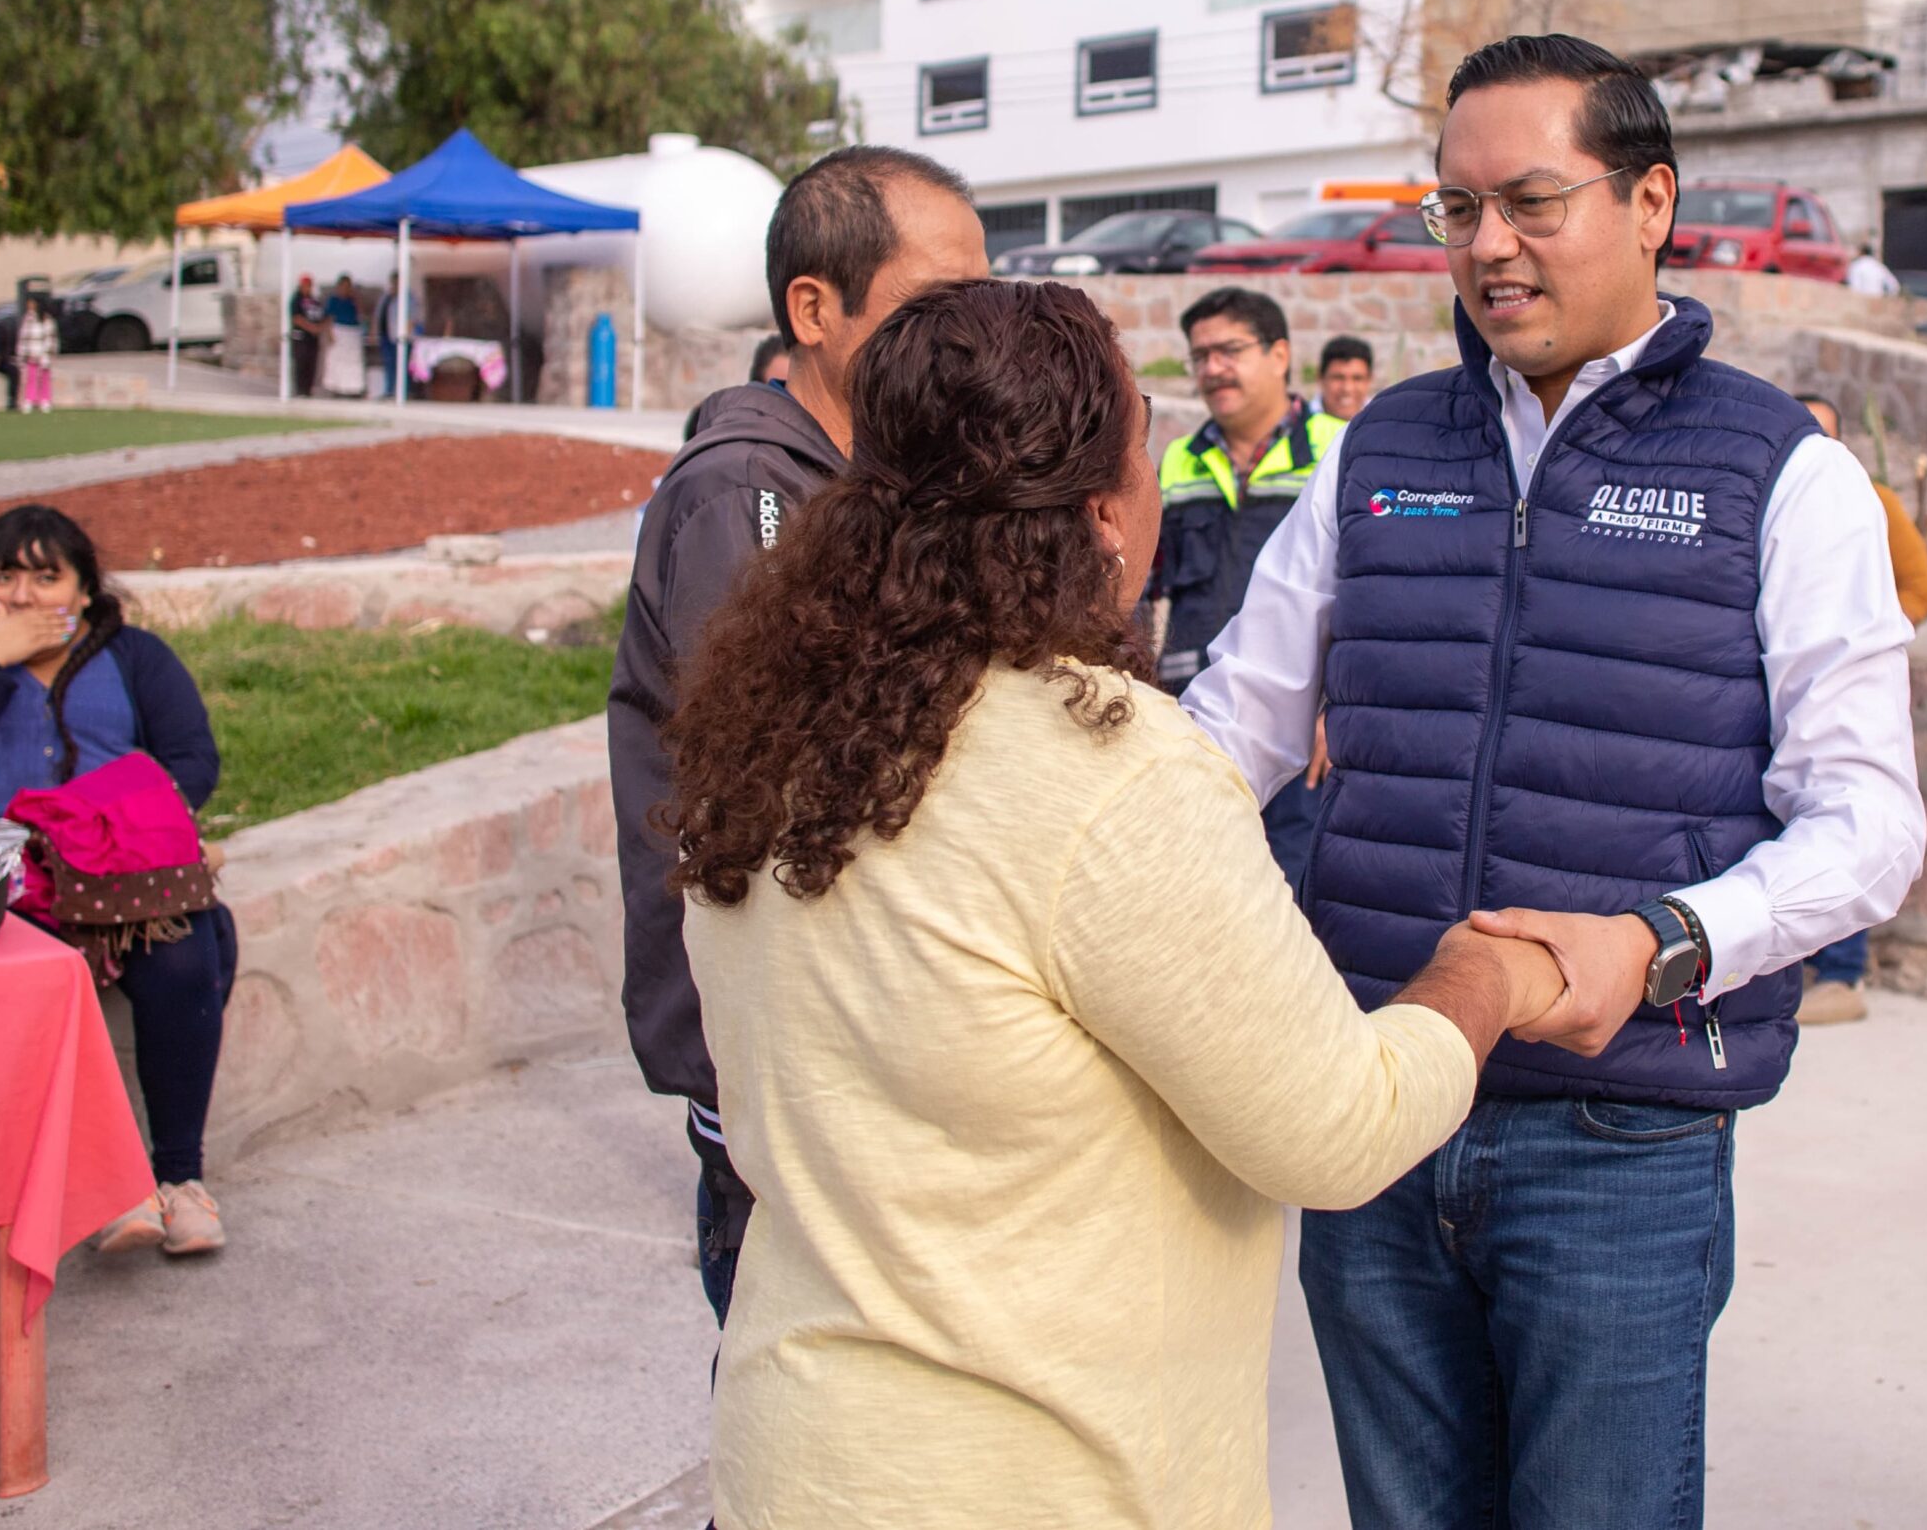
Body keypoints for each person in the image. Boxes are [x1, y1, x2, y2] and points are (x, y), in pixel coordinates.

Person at [663, 276, 1569, 1530]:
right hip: (1030, 1485)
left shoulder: (768, 735)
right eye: (1145, 457)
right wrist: (1485, 980)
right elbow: (1338, 1127)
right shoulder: (1107, 770)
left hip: (795, 1463)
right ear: (1101, 514)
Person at [1180, 33, 1926, 1530]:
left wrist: (1664, 939)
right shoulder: (1377, 451)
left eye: (1533, 201)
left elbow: (1870, 820)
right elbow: (1227, 734)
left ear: (1652, 202)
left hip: (1621, 1138)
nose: (1489, 247)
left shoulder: (1783, 472)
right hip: (1379, 1105)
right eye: (1457, 211)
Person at [608, 144, 988, 1328]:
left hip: (859, 1045)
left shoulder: (880, 482)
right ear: (814, 310)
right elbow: (792, 763)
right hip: (772, 1052)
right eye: (937, 307)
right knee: (796, 1397)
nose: (969, 340)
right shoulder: (746, 495)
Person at [0, 504, 233, 1256]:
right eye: (1, 575)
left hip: (115, 880)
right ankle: (108, 1187)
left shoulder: (134, 657)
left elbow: (191, 762)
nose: (24, 594)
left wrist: (148, 832)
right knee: (44, 977)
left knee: (187, 950)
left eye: (47, 576)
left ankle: (179, 1179)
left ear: (82, 588)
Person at [1151, 287, 1341, 888]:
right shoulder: (1180, 458)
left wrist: (1340, 707)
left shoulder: (1342, 448)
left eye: (1228, 350)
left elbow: (1369, 598)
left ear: (1280, 354)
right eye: (1200, 355)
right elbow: (1146, 581)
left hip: (1304, 732)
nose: (1212, 369)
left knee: (1297, 895)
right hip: (1193, 718)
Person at [1792, 394, 1927, 1026]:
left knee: (1842, 811)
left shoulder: (1874, 501)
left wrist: (1859, 641)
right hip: (1781, 676)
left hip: (1845, 681)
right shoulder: (1768, 496)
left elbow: (1920, 587)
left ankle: (1842, 974)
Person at [319, 274, 366, 397]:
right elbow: (328, 317)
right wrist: (329, 333)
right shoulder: (333, 300)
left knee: (353, 362)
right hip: (339, 331)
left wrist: (356, 299)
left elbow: (360, 315)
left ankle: (353, 388)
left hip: (353, 333)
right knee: (337, 361)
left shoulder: (353, 300)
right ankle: (337, 388)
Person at [373, 273, 414, 401]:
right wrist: (374, 332)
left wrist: (407, 332)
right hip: (386, 336)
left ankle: (404, 392)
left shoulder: (408, 298)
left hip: (401, 337)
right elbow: (378, 315)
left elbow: (413, 317)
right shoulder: (386, 297)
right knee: (389, 363)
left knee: (402, 365)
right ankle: (389, 390)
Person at [16, 294, 58, 415]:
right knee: (31, 378)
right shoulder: (27, 319)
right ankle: (29, 399)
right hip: (31, 355)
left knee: (44, 378)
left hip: (43, 354)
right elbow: (23, 338)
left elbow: (50, 339)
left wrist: (47, 355)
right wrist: (22, 354)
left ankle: (45, 400)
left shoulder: (47, 320)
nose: (29, 305)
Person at [1318, 333, 1375, 419]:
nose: (1347, 388)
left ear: (1369, 379)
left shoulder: (1384, 421)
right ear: (1320, 378)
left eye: (1357, 378)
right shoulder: (1299, 422)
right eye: (1338, 378)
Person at [289, 274, 327, 398]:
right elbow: (297, 318)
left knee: (311, 363)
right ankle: (300, 389)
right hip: (301, 337)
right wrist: (311, 328)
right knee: (301, 362)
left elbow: (321, 317)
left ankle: (308, 389)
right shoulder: (296, 300)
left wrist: (319, 328)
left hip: (312, 339)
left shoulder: (314, 301)